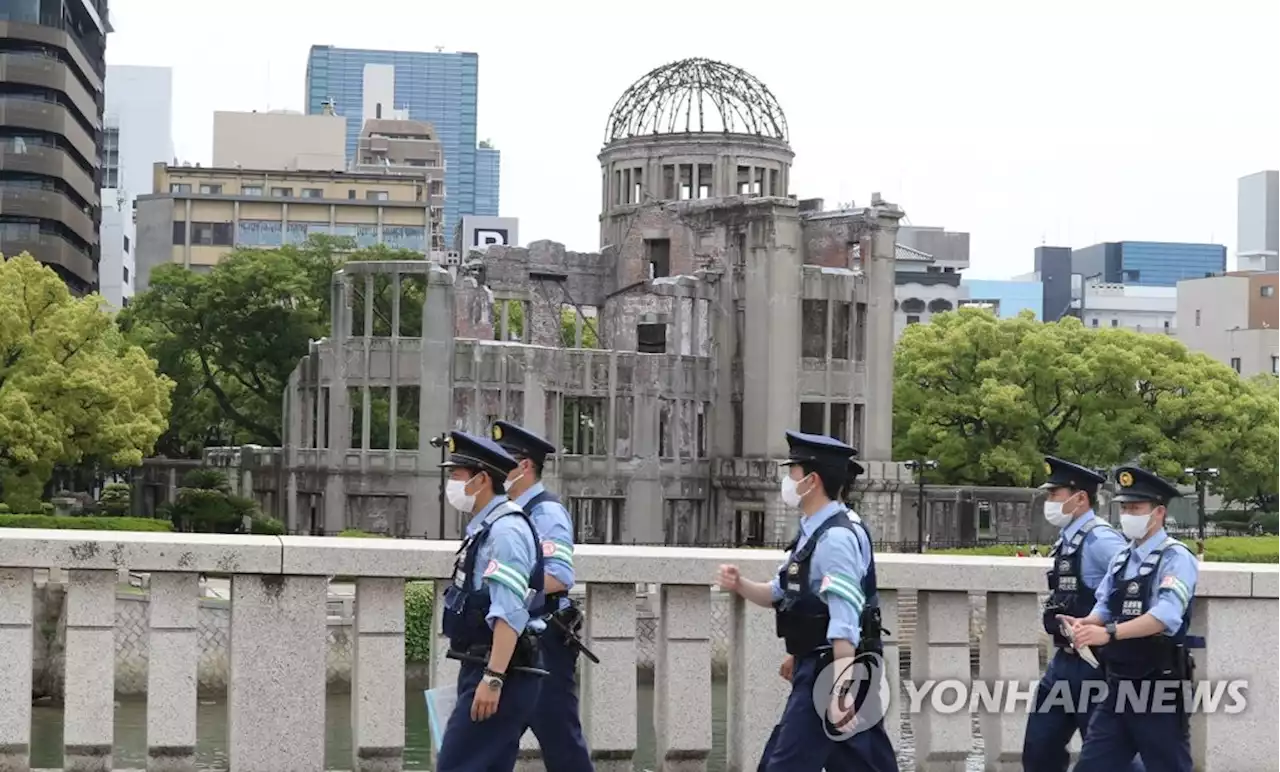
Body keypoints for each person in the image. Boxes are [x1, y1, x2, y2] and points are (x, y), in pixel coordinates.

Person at [716, 430, 897, 772]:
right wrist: (740, 584)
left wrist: (841, 694)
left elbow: (844, 623)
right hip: (825, 667)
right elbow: (782, 593)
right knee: (864, 763)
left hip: (830, 673)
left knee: (782, 765)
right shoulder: (815, 530)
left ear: (812, 481)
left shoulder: (836, 539)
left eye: (793, 472)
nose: (788, 480)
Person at [1067, 465, 1200, 772]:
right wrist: (1086, 624)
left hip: (1159, 687)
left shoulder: (1175, 558)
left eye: (1136, 508)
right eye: (1125, 507)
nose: (1128, 514)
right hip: (1119, 685)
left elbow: (1165, 617)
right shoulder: (1122, 558)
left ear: (1159, 513)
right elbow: (1104, 605)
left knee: (1168, 766)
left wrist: (1110, 633)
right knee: (1091, 766)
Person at [435, 430, 547, 772]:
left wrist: (493, 678)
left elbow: (509, 613)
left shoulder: (505, 532)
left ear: (481, 480)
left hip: (503, 672)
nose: (450, 484)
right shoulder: (487, 527)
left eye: (456, 476)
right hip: (485, 666)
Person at [490, 420, 594, 772]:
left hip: (543, 641)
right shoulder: (506, 511)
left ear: (524, 466)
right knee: (488, 740)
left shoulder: (545, 512)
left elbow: (559, 576)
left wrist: (504, 588)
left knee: (562, 744)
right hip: (514, 637)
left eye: (501, 460)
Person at [1023, 456, 1138, 772]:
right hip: (1063, 663)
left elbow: (1134, 591)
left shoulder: (1101, 539)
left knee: (1107, 758)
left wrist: (1108, 632)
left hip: (1096, 665)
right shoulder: (1068, 538)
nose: (1049, 501)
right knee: (1039, 749)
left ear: (1080, 497)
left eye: (1054, 494)